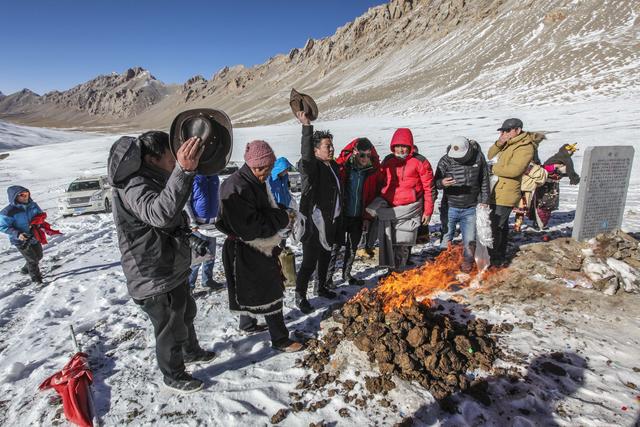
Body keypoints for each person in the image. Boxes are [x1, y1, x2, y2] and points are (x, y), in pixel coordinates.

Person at [108, 131, 215, 393]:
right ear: (154, 157)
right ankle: (173, 375)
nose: (175, 156)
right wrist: (184, 172)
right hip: (152, 273)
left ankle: (191, 351)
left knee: (186, 312)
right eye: (171, 152)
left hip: (169, 265)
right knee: (169, 327)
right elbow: (160, 214)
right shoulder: (134, 185)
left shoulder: (154, 177)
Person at [217, 140, 304, 352]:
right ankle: (280, 339)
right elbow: (251, 227)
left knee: (251, 289)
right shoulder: (236, 187)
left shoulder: (254, 181)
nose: (267, 173)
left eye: (269, 168)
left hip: (256, 247)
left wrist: (281, 211)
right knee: (270, 291)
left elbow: (265, 209)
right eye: (263, 169)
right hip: (247, 248)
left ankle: (248, 323)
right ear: (254, 166)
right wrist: (282, 218)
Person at [295, 111, 342, 314]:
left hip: (330, 221)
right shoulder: (312, 168)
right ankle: (300, 296)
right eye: (327, 146)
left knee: (325, 256)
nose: (331, 149)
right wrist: (307, 128)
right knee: (308, 262)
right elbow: (305, 157)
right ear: (315, 150)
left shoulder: (332, 166)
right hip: (314, 224)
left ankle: (321, 287)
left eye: (332, 145)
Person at [374, 128, 435, 270]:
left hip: (410, 209)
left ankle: (397, 273)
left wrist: (428, 211)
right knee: (391, 243)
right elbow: (381, 181)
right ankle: (393, 271)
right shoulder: (388, 161)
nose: (400, 149)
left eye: (404, 146)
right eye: (397, 146)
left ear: (410, 146)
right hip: (391, 209)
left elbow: (428, 188)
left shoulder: (420, 162)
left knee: (402, 244)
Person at [487, 118, 542, 266]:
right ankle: (499, 253)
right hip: (497, 189)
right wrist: (499, 143)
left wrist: (492, 169)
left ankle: (495, 257)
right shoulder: (508, 143)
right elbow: (490, 154)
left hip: (507, 191)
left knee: (496, 225)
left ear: (517, 130)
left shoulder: (525, 147)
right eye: (502, 131)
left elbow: (515, 170)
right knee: (500, 225)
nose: (504, 133)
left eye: (507, 131)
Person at [327, 137, 381, 286]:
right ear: (355, 152)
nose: (365, 159)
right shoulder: (343, 168)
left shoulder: (371, 172)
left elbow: (371, 196)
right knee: (335, 247)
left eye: (368, 155)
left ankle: (346, 274)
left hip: (358, 216)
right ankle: (328, 278)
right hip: (342, 215)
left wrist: (366, 218)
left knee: (352, 247)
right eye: (362, 155)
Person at [434, 137, 490, 272]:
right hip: (450, 206)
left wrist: (485, 200)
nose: (458, 159)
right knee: (447, 236)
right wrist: (442, 183)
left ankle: (467, 262)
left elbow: (484, 180)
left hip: (470, 207)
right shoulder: (445, 160)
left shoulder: (478, 158)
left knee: (469, 240)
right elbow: (435, 182)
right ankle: (444, 260)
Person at [185, 173, 223, 291]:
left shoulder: (215, 178)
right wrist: (192, 221)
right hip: (198, 225)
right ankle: (190, 286)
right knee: (197, 258)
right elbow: (186, 202)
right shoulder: (193, 179)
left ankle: (208, 280)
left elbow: (218, 198)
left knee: (210, 255)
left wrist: (219, 217)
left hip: (212, 224)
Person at [529, 143, 580, 229]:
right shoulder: (564, 159)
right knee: (543, 204)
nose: (572, 153)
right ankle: (539, 223)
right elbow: (545, 169)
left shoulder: (561, 158)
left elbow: (567, 171)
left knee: (548, 205)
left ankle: (541, 224)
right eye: (570, 151)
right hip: (546, 184)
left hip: (552, 184)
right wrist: (572, 177)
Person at [0, 186, 45, 283]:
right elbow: (3, 227)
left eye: (27, 194)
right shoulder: (8, 212)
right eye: (22, 195)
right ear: (14, 196)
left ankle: (25, 269)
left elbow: (39, 215)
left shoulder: (33, 205)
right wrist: (17, 234)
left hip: (33, 236)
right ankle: (37, 280)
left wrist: (39, 221)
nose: (25, 197)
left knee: (39, 256)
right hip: (20, 239)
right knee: (32, 260)